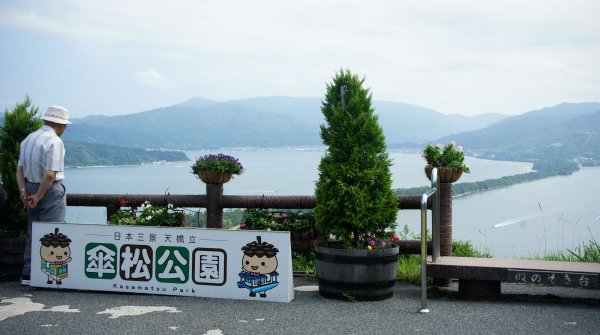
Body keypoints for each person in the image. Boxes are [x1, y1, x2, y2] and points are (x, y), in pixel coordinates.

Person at [16, 105, 71, 286]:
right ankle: (52, 276)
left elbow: (19, 170)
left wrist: (25, 192)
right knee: (54, 234)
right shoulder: (54, 141)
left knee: (34, 232)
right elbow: (50, 175)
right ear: (61, 125)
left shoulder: (28, 139)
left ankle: (28, 274)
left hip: (30, 187)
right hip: (48, 190)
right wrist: (39, 196)